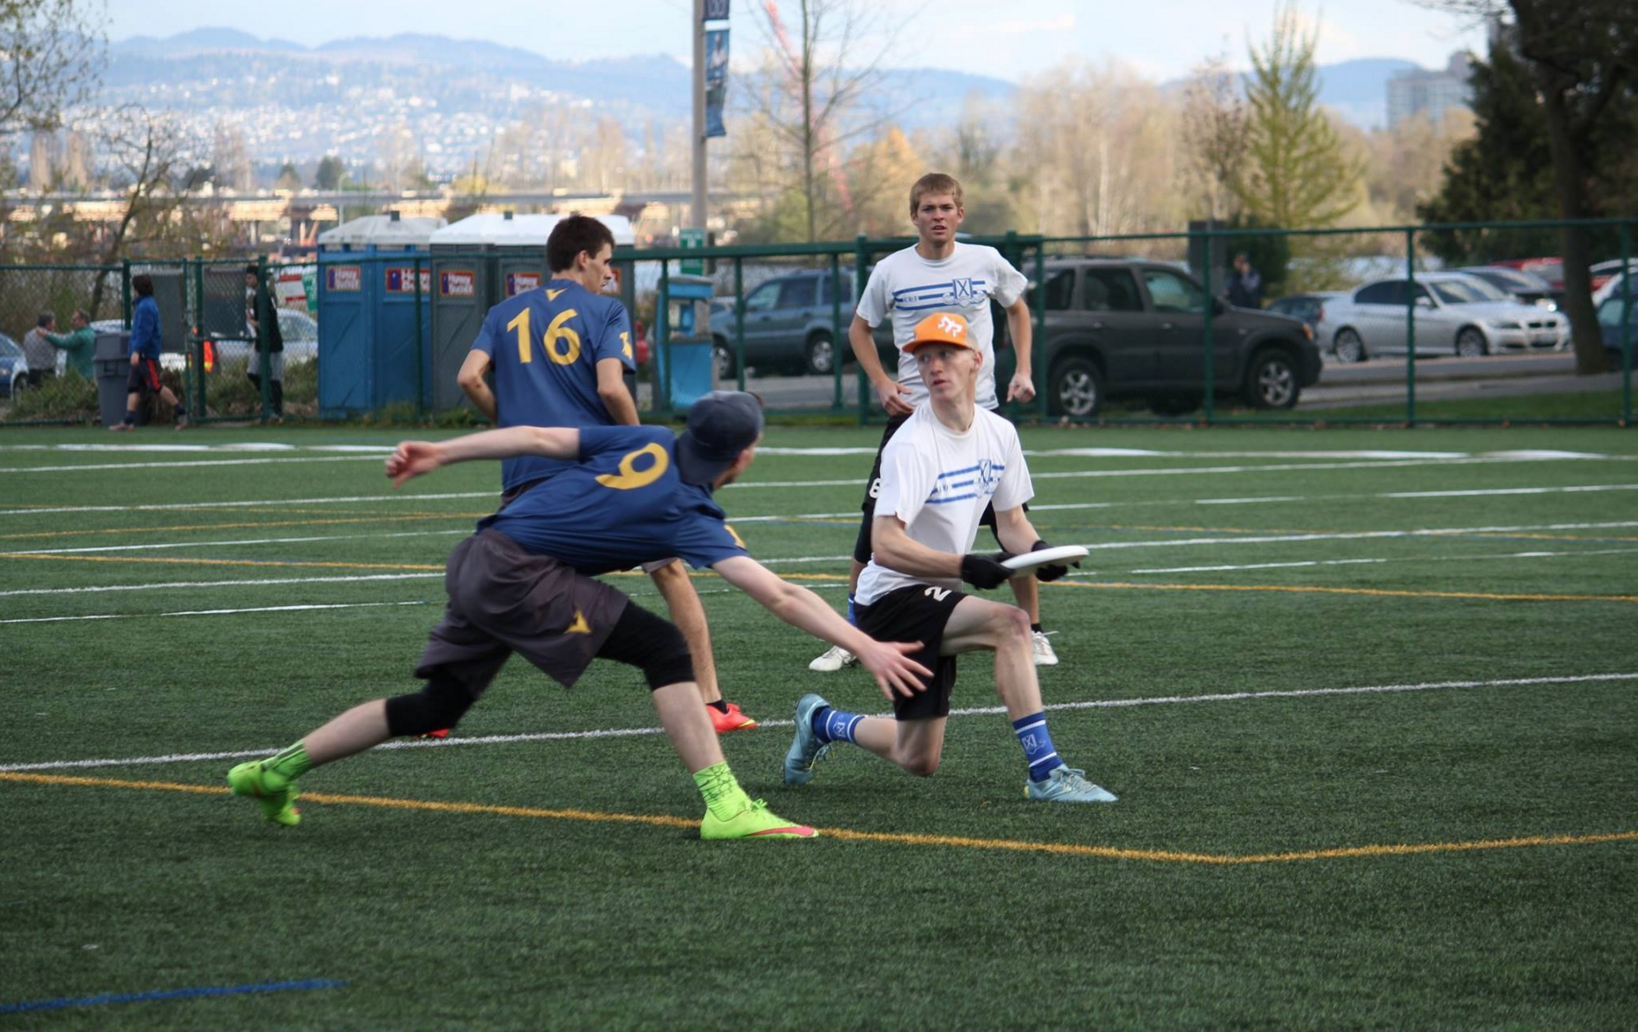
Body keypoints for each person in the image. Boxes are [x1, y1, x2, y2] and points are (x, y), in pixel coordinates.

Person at [226, 390, 932, 840]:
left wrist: (442, 450)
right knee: (664, 649)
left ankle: (275, 769)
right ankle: (725, 804)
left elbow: (534, 437)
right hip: (518, 573)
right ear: (743, 457)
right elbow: (780, 594)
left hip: (480, 552)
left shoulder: (646, 439)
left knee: (435, 705)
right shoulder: (688, 509)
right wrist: (863, 646)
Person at [784, 313, 1116, 804]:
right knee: (1012, 625)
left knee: (917, 757)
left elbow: (1012, 525)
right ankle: (1047, 772)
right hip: (890, 598)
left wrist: (1040, 553)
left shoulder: (999, 433)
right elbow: (884, 544)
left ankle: (821, 721)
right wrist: (963, 566)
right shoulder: (912, 443)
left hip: (937, 595)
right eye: (924, 358)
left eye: (946, 354)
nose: (933, 366)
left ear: (976, 360)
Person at [456, 215, 756, 735]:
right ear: (583, 259)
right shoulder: (605, 310)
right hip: (595, 476)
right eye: (606, 261)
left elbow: (467, 376)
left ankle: (441, 705)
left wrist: (505, 420)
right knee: (670, 572)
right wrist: (643, 450)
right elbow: (613, 389)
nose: (609, 273)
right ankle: (711, 703)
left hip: (526, 475)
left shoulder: (504, 312)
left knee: (506, 583)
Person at [810, 171, 1062, 672]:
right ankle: (854, 632)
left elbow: (1019, 309)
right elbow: (860, 330)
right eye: (928, 209)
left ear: (960, 214)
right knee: (874, 527)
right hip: (913, 419)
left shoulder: (985, 261)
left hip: (980, 411)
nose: (939, 216)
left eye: (947, 207)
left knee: (1010, 520)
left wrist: (1024, 369)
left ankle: (1031, 630)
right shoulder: (891, 270)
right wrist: (883, 383)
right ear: (915, 216)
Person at [112, 274, 187, 431]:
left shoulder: (145, 307)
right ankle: (129, 421)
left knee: (156, 386)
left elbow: (144, 332)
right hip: (140, 355)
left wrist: (137, 351)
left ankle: (181, 413)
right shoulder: (144, 305)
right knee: (133, 387)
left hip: (146, 356)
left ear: (136, 289)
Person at [244, 264, 285, 420]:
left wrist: (251, 321)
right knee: (253, 373)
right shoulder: (260, 294)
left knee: (274, 378)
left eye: (249, 278)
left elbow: (264, 323)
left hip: (272, 343)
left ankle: (276, 410)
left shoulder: (262, 295)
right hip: (262, 342)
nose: (247, 281)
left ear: (256, 278)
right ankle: (269, 403)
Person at [40, 309, 96, 380]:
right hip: (90, 373)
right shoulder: (91, 333)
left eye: (74, 320)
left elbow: (64, 343)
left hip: (80, 375)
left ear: (83, 321)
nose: (71, 322)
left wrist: (47, 336)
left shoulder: (80, 336)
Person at [22, 311, 56, 388]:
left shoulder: (28, 335)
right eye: (53, 322)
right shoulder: (49, 336)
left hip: (32, 372)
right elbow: (63, 343)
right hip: (47, 373)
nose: (54, 325)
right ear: (48, 323)